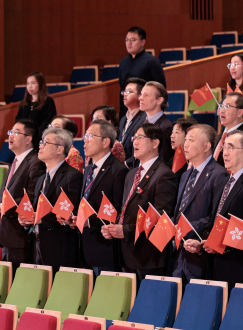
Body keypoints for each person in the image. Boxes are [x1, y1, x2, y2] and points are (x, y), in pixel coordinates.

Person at [102, 124, 178, 281]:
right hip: (127, 253)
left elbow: (159, 218)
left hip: (149, 256)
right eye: (133, 138)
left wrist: (126, 231)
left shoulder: (164, 175)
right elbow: (125, 210)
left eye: (140, 138)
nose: (134, 143)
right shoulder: (131, 174)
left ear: (155, 143)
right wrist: (113, 228)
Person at [200, 130, 243, 291]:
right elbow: (215, 219)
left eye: (231, 148)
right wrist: (204, 242)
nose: (225, 153)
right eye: (224, 148)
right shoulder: (225, 180)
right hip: (216, 263)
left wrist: (220, 245)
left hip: (240, 264)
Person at [173, 125, 229, 286]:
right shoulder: (185, 174)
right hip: (179, 252)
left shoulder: (219, 174)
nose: (186, 145)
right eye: (185, 141)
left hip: (200, 252)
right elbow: (180, 211)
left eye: (191, 140)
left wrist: (187, 227)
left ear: (206, 146)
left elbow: (215, 216)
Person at [78, 120, 128, 276]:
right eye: (85, 135)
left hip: (105, 247)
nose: (85, 140)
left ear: (106, 141)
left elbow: (119, 210)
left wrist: (89, 221)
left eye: (90, 136)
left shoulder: (118, 170)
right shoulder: (88, 170)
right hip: (85, 247)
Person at [33, 128, 83, 270]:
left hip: (60, 247)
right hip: (37, 244)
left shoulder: (72, 176)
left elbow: (68, 212)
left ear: (60, 149)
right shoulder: (41, 179)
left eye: (45, 143)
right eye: (41, 142)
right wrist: (27, 219)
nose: (40, 146)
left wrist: (41, 218)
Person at [1, 120, 45, 269]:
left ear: (28, 138)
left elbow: (32, 197)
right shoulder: (15, 161)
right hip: (7, 234)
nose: (11, 136)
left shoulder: (36, 162)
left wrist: (5, 205)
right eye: (10, 132)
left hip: (20, 235)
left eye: (16, 132)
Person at [118, 26, 166, 118]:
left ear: (143, 42)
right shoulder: (123, 62)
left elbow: (161, 88)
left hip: (145, 109)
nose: (129, 43)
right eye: (127, 39)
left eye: (133, 40)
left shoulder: (152, 61)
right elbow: (122, 86)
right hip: (126, 109)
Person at [215, 92, 243, 167]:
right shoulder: (218, 137)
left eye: (227, 106)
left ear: (240, 112)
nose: (221, 111)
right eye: (221, 106)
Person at [15, 72, 57, 150]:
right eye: (28, 83)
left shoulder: (48, 101)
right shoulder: (23, 103)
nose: (29, 86)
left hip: (40, 141)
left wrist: (34, 141)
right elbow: (18, 122)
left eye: (33, 83)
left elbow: (47, 123)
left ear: (40, 84)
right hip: (24, 141)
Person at [136, 81, 174, 164]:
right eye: (141, 94)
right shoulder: (141, 123)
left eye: (146, 95)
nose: (140, 98)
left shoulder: (165, 127)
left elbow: (163, 161)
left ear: (159, 100)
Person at [118, 77, 147, 162]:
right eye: (124, 91)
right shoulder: (123, 119)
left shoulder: (145, 118)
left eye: (129, 92)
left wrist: (128, 163)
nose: (124, 94)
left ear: (140, 96)